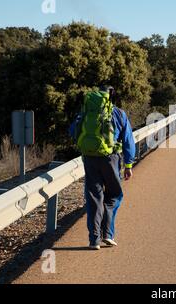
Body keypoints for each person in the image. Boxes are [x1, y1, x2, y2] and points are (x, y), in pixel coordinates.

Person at [69, 85, 136, 250]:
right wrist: (128, 165)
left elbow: (72, 132)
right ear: (111, 96)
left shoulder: (85, 113)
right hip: (111, 159)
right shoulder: (119, 114)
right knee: (114, 195)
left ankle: (94, 240)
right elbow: (128, 141)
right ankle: (108, 234)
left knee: (94, 199)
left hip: (89, 158)